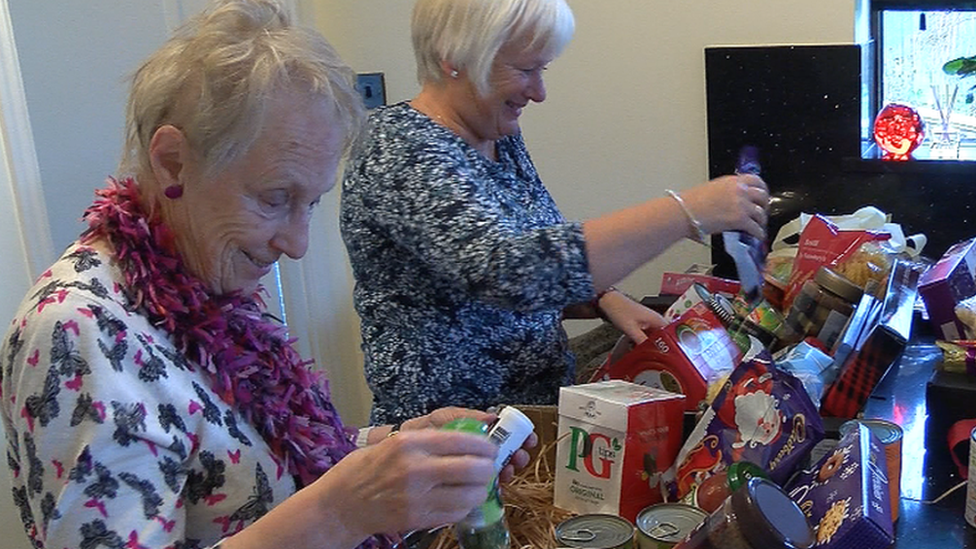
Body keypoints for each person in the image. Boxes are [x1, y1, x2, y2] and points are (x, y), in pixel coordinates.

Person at [0, 2, 535, 548]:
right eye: (275, 198)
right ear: (173, 162)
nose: (297, 244)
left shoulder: (205, 288)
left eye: (311, 202)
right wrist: (340, 513)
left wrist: (392, 448)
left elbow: (244, 465)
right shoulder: (79, 330)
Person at [340, 0, 770, 425]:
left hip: (528, 420)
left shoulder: (495, 135)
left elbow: (539, 246)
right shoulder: (399, 148)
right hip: (451, 442)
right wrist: (686, 211)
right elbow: (507, 271)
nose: (539, 92)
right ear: (454, 59)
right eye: (525, 70)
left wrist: (603, 298)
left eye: (541, 70)